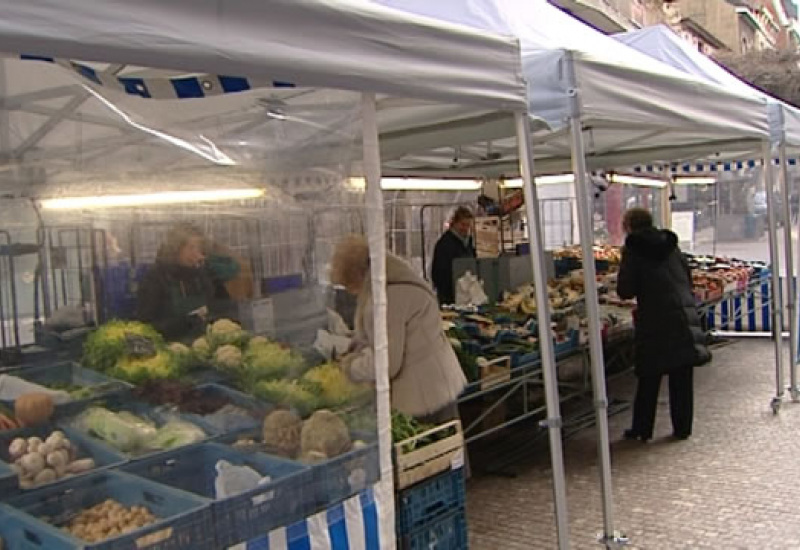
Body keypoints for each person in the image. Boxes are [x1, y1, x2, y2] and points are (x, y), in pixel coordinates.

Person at [332, 235, 467, 423]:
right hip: (436, 384)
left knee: (434, 448)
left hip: (424, 395)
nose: (351, 292)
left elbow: (387, 362)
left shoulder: (388, 298)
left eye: (349, 285)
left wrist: (350, 368)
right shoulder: (398, 282)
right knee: (448, 447)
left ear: (358, 275)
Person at [616, 208, 710, 442]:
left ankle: (642, 429)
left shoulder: (633, 249)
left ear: (628, 226)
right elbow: (686, 278)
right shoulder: (672, 246)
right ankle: (682, 428)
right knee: (681, 374)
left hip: (655, 319)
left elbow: (625, 290)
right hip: (682, 314)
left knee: (649, 375)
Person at [136, 223, 242, 341]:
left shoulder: (205, 274)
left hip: (206, 345)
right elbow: (145, 326)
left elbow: (226, 307)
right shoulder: (156, 278)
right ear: (175, 249)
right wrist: (185, 323)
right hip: (171, 348)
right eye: (191, 248)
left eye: (199, 248)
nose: (196, 254)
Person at [431, 206, 476, 305]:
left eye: (468, 225)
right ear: (454, 223)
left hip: (467, 294)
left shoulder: (469, 243)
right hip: (449, 295)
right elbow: (439, 273)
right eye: (463, 224)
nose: (465, 228)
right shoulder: (445, 244)